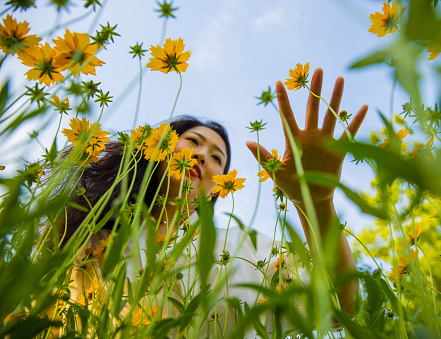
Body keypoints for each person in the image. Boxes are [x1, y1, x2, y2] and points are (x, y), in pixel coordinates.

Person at [59, 67, 367, 337]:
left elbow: (343, 304)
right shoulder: (89, 226)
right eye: (193, 141)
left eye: (217, 157)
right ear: (158, 145)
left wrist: (315, 203)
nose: (203, 155)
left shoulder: (245, 248)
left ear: (220, 188)